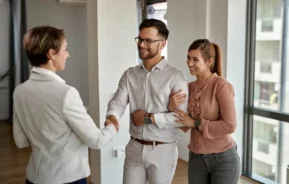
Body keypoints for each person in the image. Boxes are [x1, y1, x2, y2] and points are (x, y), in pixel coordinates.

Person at [13, 26, 119, 184]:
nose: (68, 55)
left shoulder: (19, 91)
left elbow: (21, 141)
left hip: (34, 177)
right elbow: (97, 140)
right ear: (51, 53)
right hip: (67, 179)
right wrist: (113, 127)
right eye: (65, 49)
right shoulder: (66, 93)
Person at [105, 19, 188, 184]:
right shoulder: (130, 74)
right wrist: (112, 117)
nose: (142, 44)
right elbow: (117, 103)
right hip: (134, 147)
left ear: (162, 44)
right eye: (140, 39)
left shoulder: (176, 77)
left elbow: (181, 119)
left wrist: (147, 118)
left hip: (163, 149)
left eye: (148, 40)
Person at [169, 39, 240, 184]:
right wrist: (171, 107)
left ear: (209, 61)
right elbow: (183, 125)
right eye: (188, 58)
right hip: (196, 159)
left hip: (223, 160)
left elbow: (230, 125)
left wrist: (195, 123)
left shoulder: (221, 86)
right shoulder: (187, 88)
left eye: (195, 59)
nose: (189, 63)